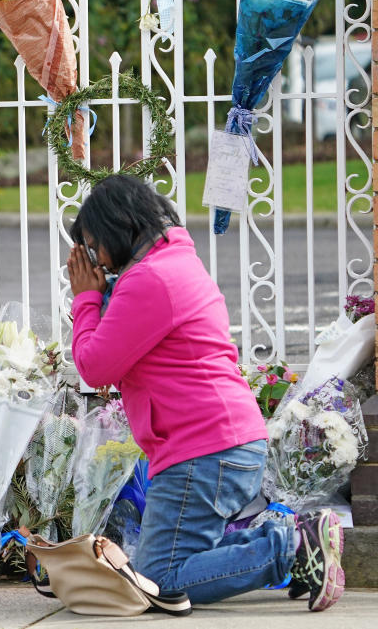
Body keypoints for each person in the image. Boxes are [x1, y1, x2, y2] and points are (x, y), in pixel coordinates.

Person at [66, 175, 344, 611]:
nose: (93, 259)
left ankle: (290, 547)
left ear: (116, 227)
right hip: (221, 444)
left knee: (158, 582)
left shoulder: (149, 280)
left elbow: (95, 366)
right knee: (175, 564)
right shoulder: (171, 263)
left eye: (91, 244)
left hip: (201, 452)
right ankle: (299, 542)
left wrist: (85, 298)